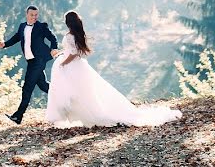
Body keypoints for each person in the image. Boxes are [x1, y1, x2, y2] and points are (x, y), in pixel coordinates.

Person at [45, 11, 182, 128]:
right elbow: (72, 50)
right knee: (82, 92)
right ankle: (78, 114)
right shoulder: (76, 35)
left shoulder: (70, 36)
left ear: (68, 22)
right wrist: (61, 54)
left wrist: (63, 63)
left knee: (75, 92)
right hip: (78, 66)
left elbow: (74, 53)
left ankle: (88, 115)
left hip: (72, 66)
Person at [0, 5, 59, 124]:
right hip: (31, 61)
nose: (34, 17)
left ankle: (18, 116)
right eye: (32, 15)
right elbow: (16, 38)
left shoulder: (41, 26)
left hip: (39, 60)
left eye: (36, 15)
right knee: (42, 85)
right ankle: (63, 94)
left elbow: (53, 38)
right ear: (27, 14)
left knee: (27, 87)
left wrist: (53, 49)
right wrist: (4, 44)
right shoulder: (22, 26)